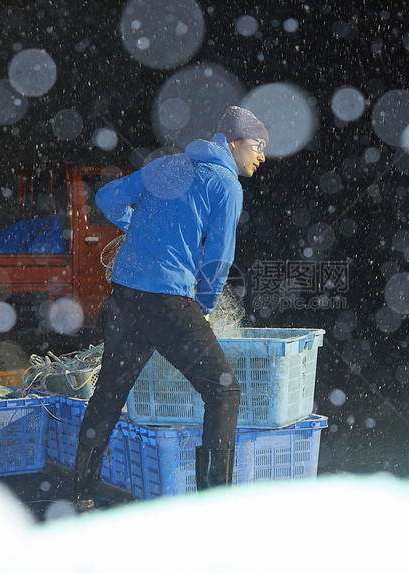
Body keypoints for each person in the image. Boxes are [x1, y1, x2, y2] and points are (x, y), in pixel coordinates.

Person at [73, 106, 268, 512]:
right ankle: (213, 507)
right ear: (233, 144)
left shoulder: (168, 166)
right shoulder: (226, 184)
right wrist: (206, 307)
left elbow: (107, 197)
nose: (261, 156)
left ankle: (83, 493)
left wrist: (137, 226)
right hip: (167, 302)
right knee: (224, 391)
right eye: (257, 146)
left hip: (124, 296)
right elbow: (217, 259)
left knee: (110, 390)